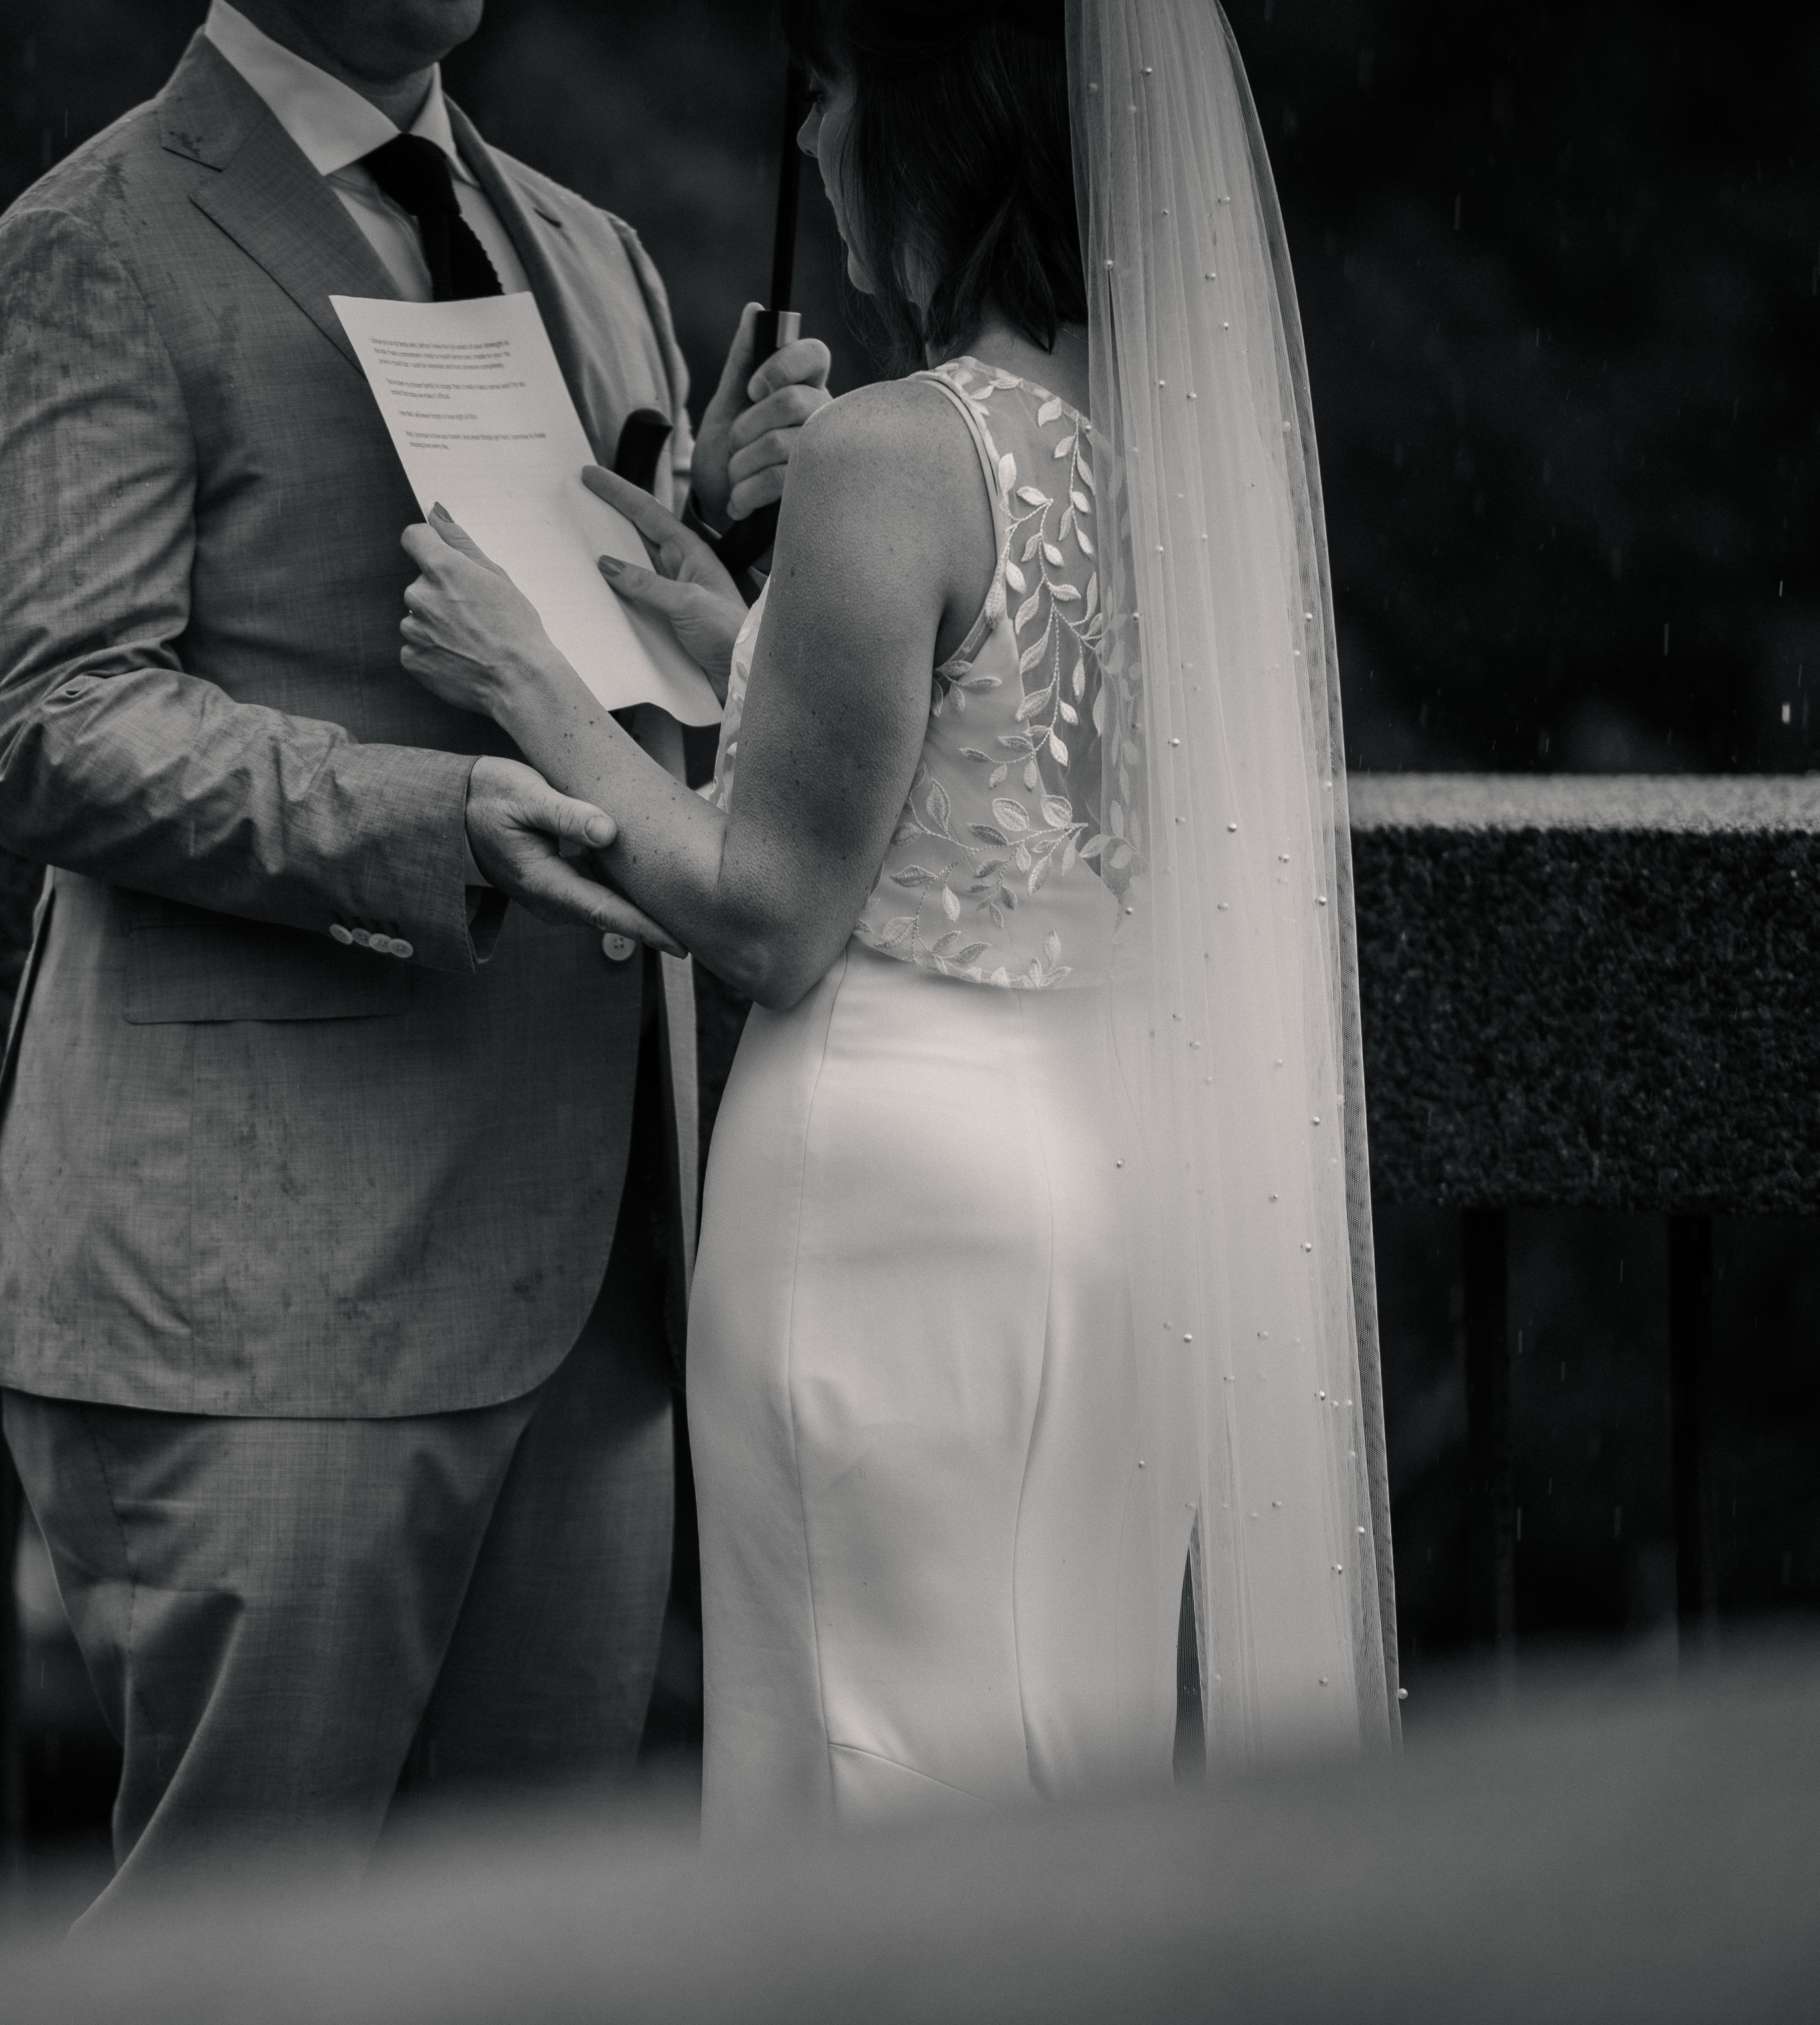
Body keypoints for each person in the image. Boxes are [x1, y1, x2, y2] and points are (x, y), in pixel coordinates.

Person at [394, 0, 1401, 1836]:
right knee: (1046, 1768)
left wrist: (534, 680)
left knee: (867, 1772)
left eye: (835, 98)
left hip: (889, 1202)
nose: (809, 149)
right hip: (1104, 1196)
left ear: (941, 127)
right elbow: (1011, 754)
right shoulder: (1162, 448)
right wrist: (741, 633)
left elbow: (768, 916)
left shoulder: (892, 453)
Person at [0, 0, 830, 1919]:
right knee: (235, 1965)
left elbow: (614, 678)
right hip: (268, 1302)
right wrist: (426, 826)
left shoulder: (591, 249)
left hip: (594, 1290)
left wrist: (722, 551)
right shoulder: (81, 250)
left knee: (514, 1963)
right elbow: (54, 722)